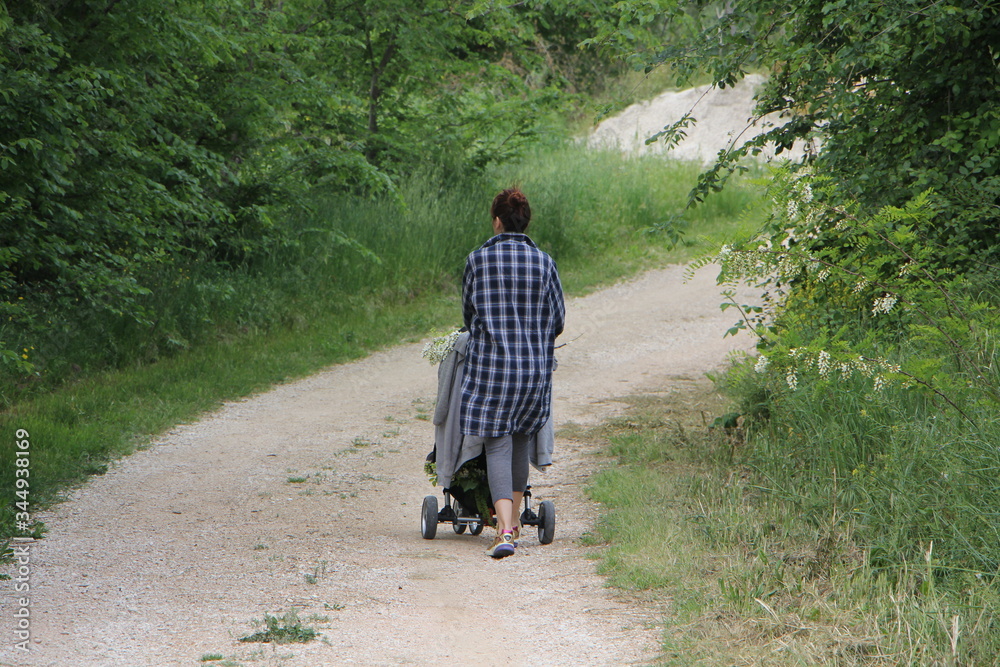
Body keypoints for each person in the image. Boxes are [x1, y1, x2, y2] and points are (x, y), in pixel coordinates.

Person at [460, 187, 565, 559]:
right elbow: (558, 320)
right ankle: (515, 522)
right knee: (520, 440)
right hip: (533, 372)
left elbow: (469, 317)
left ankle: (504, 530)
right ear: (525, 221)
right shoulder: (544, 262)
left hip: (492, 371)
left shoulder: (477, 260)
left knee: (497, 446)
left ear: (497, 221)